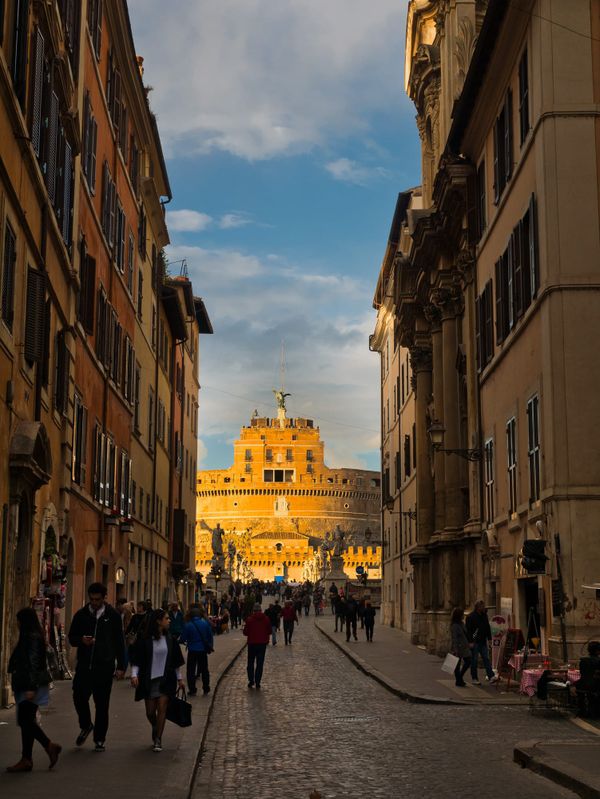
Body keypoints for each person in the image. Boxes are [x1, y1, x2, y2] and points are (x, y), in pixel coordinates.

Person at [68, 582, 126, 752]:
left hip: (104, 667)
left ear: (104, 598)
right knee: (78, 697)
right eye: (92, 599)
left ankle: (99, 739)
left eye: (97, 599)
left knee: (102, 705)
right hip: (84, 666)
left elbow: (119, 642)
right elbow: (72, 637)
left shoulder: (113, 616)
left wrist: (121, 666)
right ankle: (86, 724)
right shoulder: (81, 615)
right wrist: (81, 640)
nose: (94, 603)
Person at [6, 608, 61, 773]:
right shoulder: (32, 636)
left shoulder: (31, 637)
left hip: (30, 685)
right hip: (29, 684)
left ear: (24, 622)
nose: (17, 623)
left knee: (26, 721)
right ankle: (27, 759)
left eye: (19, 620)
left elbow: (33, 662)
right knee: (27, 721)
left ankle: (49, 746)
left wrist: (31, 687)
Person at [130, 609, 185, 752]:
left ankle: (158, 739)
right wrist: (134, 675)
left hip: (166, 679)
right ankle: (155, 726)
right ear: (158, 621)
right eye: (166, 618)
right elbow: (137, 659)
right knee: (150, 712)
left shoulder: (171, 639)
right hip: (149, 680)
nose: (169, 620)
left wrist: (180, 679)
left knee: (162, 708)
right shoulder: (145, 640)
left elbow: (175, 662)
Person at [180, 607, 214, 696]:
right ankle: (206, 687)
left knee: (191, 670)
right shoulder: (205, 623)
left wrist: (183, 641)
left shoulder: (188, 625)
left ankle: (192, 689)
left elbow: (183, 638)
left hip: (192, 650)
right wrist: (210, 646)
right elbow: (210, 636)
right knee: (204, 669)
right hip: (202, 650)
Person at [465, 600, 498, 684]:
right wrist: (470, 641)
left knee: (486, 658)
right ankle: (474, 678)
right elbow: (468, 630)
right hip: (475, 641)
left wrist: (489, 639)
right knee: (474, 660)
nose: (484, 607)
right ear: (478, 607)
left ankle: (491, 676)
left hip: (483, 641)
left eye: (483, 606)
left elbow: (487, 627)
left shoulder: (484, 616)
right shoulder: (471, 616)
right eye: (482, 606)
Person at [243, 603, 272, 689]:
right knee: (260, 663)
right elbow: (270, 631)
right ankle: (258, 681)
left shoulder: (249, 619)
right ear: (260, 610)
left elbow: (245, 632)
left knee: (250, 663)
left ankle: (251, 680)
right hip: (262, 644)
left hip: (252, 644)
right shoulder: (266, 619)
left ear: (253, 611)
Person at [450, 607, 471, 687]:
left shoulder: (461, 623)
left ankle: (459, 678)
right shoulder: (455, 626)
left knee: (468, 661)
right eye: (462, 614)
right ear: (459, 615)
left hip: (464, 646)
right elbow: (454, 638)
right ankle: (459, 680)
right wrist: (455, 650)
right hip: (458, 647)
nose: (463, 616)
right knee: (457, 665)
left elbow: (466, 634)